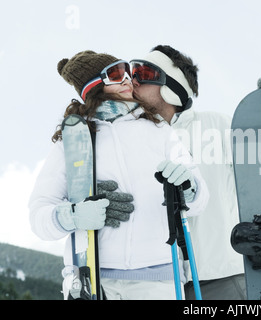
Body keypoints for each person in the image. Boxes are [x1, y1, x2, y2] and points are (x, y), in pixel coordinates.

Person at [28, 50, 209, 300]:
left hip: (158, 280)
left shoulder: (158, 129)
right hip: (95, 279)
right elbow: (38, 214)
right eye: (115, 74)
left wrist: (188, 187)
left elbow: (200, 199)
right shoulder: (74, 140)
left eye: (126, 71)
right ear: (93, 86)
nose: (127, 79)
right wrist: (73, 215)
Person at [131, 45, 261, 299]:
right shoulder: (132, 139)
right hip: (159, 286)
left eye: (143, 73)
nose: (133, 80)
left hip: (221, 278)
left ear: (172, 85)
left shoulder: (217, 126)